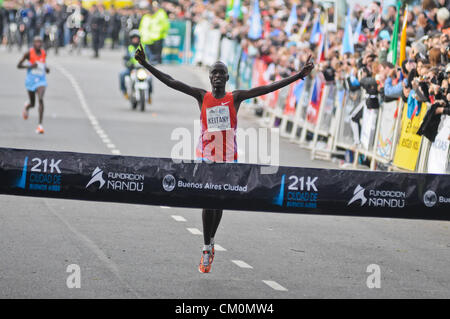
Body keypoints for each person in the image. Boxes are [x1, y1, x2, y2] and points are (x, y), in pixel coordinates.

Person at [134, 43, 314, 273]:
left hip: (229, 160)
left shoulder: (235, 98)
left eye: (221, 73)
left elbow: (268, 88)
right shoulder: (202, 96)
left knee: (219, 202)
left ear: (227, 77)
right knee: (208, 200)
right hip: (206, 159)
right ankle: (207, 247)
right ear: (209, 77)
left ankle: (210, 241)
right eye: (214, 73)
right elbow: (171, 81)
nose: (217, 76)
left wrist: (299, 75)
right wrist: (146, 64)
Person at [17, 36, 49, 134]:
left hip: (41, 80)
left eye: (40, 42)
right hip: (31, 80)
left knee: (40, 99)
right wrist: (30, 66)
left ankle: (40, 125)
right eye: (37, 42)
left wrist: (46, 69)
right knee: (33, 104)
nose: (39, 44)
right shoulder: (28, 53)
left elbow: (43, 64)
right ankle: (27, 107)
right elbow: (18, 65)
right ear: (33, 43)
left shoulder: (43, 53)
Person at [119, 30, 152, 103]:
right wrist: (127, 63)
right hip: (132, 68)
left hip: (143, 68)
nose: (135, 39)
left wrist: (152, 62)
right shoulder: (129, 48)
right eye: (133, 38)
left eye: (136, 38)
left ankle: (149, 95)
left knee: (150, 78)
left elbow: (150, 56)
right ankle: (125, 92)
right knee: (122, 74)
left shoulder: (144, 46)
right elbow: (126, 58)